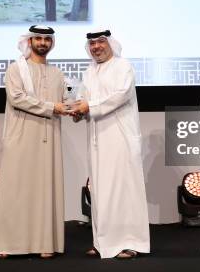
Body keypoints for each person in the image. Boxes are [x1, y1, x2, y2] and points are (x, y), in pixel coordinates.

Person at [0, 25, 70, 259]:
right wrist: (52, 107)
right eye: (38, 38)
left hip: (48, 139)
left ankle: (44, 243)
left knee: (44, 190)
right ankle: (7, 243)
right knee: (15, 189)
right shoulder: (16, 69)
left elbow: (65, 100)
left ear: (51, 43)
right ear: (30, 41)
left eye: (47, 39)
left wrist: (76, 107)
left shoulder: (57, 74)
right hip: (21, 136)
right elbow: (17, 98)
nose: (42, 43)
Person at [71, 29, 150, 259]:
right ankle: (103, 242)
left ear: (110, 43)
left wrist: (88, 107)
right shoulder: (88, 72)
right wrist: (78, 113)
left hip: (120, 137)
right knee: (101, 191)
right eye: (92, 43)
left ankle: (130, 242)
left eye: (101, 42)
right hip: (97, 140)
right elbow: (84, 102)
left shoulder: (123, 66)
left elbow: (120, 95)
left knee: (123, 190)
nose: (96, 47)